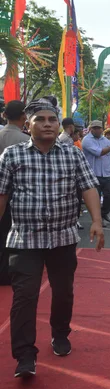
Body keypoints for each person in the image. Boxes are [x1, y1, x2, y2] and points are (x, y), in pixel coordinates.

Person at [0, 97, 104, 378]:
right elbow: (2, 194)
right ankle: (24, 355)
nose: (47, 124)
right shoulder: (12, 155)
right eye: (40, 120)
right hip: (24, 239)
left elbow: (89, 187)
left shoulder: (72, 154)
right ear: (27, 123)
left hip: (63, 238)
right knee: (24, 296)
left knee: (63, 292)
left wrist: (96, 221)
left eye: (52, 120)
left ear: (59, 123)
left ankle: (60, 333)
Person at [0, 101, 30, 286]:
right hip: (14, 193)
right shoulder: (25, 140)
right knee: (11, 234)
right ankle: (7, 272)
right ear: (24, 116)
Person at [82, 120, 110, 227]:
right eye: (94, 128)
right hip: (93, 174)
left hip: (106, 173)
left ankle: (104, 213)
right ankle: (98, 219)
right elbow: (99, 152)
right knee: (95, 198)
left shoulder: (105, 140)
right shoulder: (87, 140)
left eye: (99, 128)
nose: (97, 130)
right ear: (91, 129)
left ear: (102, 129)